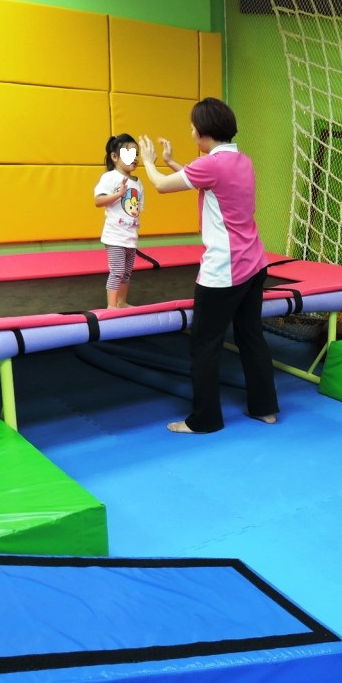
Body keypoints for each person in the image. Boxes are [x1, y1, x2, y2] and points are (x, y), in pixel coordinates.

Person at [138, 98, 278, 434]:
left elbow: (161, 186)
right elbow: (206, 179)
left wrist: (150, 163)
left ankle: (205, 419)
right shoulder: (241, 160)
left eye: (192, 128)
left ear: (204, 132)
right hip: (255, 263)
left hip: (225, 269)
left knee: (204, 344)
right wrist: (172, 162)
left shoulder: (212, 165)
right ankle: (265, 409)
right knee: (251, 337)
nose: (190, 132)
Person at [94, 134, 144, 309]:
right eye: (129, 154)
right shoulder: (110, 177)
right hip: (115, 236)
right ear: (115, 157)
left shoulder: (138, 183)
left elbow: (136, 210)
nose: (134, 158)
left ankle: (122, 302)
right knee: (117, 272)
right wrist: (118, 194)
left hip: (130, 236)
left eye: (136, 154)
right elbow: (98, 201)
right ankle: (111, 306)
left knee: (127, 273)